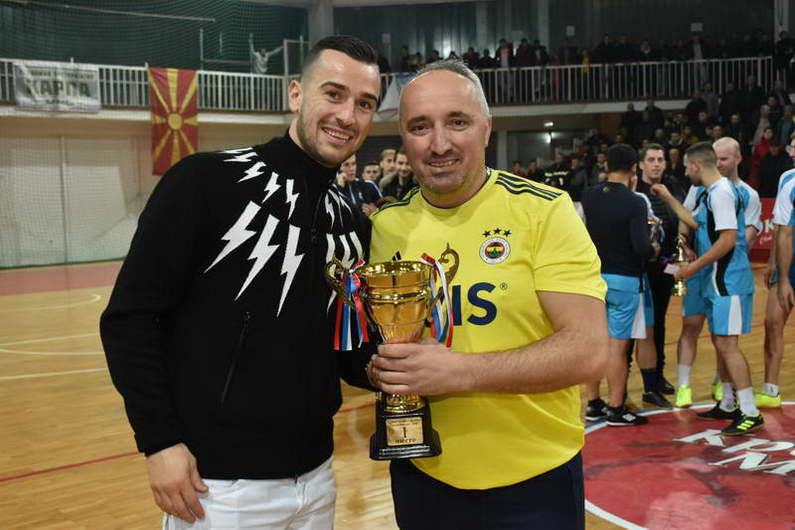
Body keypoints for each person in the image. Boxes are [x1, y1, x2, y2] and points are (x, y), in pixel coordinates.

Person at [100, 36, 382, 528]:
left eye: (364, 103)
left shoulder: (352, 223)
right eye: (334, 94)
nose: (347, 115)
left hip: (318, 479)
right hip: (219, 488)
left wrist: (392, 367)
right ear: (296, 94)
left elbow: (343, 348)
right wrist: (159, 441)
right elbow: (130, 319)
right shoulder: (205, 182)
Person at [367, 59, 608, 529]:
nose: (439, 143)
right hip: (422, 476)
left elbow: (589, 350)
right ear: (403, 137)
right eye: (420, 126)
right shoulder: (386, 227)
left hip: (535, 481)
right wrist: (381, 368)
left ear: (486, 128)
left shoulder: (545, 211)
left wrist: (459, 372)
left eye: (457, 122)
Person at [661, 142, 763, 435]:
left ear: (696, 165)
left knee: (728, 345)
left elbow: (728, 240)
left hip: (728, 281)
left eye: (686, 167)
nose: (685, 172)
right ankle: (729, 403)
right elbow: (693, 222)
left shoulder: (721, 193)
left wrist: (693, 267)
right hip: (718, 281)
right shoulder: (710, 192)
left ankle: (750, 411)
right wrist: (667, 197)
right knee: (721, 343)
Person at [582, 144, 658, 426]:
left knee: (595, 343)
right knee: (617, 348)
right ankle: (616, 408)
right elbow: (641, 246)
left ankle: (593, 403)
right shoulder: (635, 201)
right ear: (634, 168)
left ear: (605, 165)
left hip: (593, 278)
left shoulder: (589, 196)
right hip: (624, 280)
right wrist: (654, 248)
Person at [635, 144, 686, 399]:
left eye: (660, 159)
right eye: (651, 159)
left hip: (666, 266)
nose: (656, 164)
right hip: (641, 268)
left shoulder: (673, 187)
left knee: (659, 322)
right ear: (641, 164)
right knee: (637, 328)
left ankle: (658, 376)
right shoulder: (635, 190)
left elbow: (685, 219)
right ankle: (633, 379)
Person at [759, 134, 795, 408]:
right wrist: (777, 268)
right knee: (772, 323)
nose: (792, 152)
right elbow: (782, 230)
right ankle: (770, 390)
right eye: (792, 146)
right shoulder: (788, 180)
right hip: (790, 266)